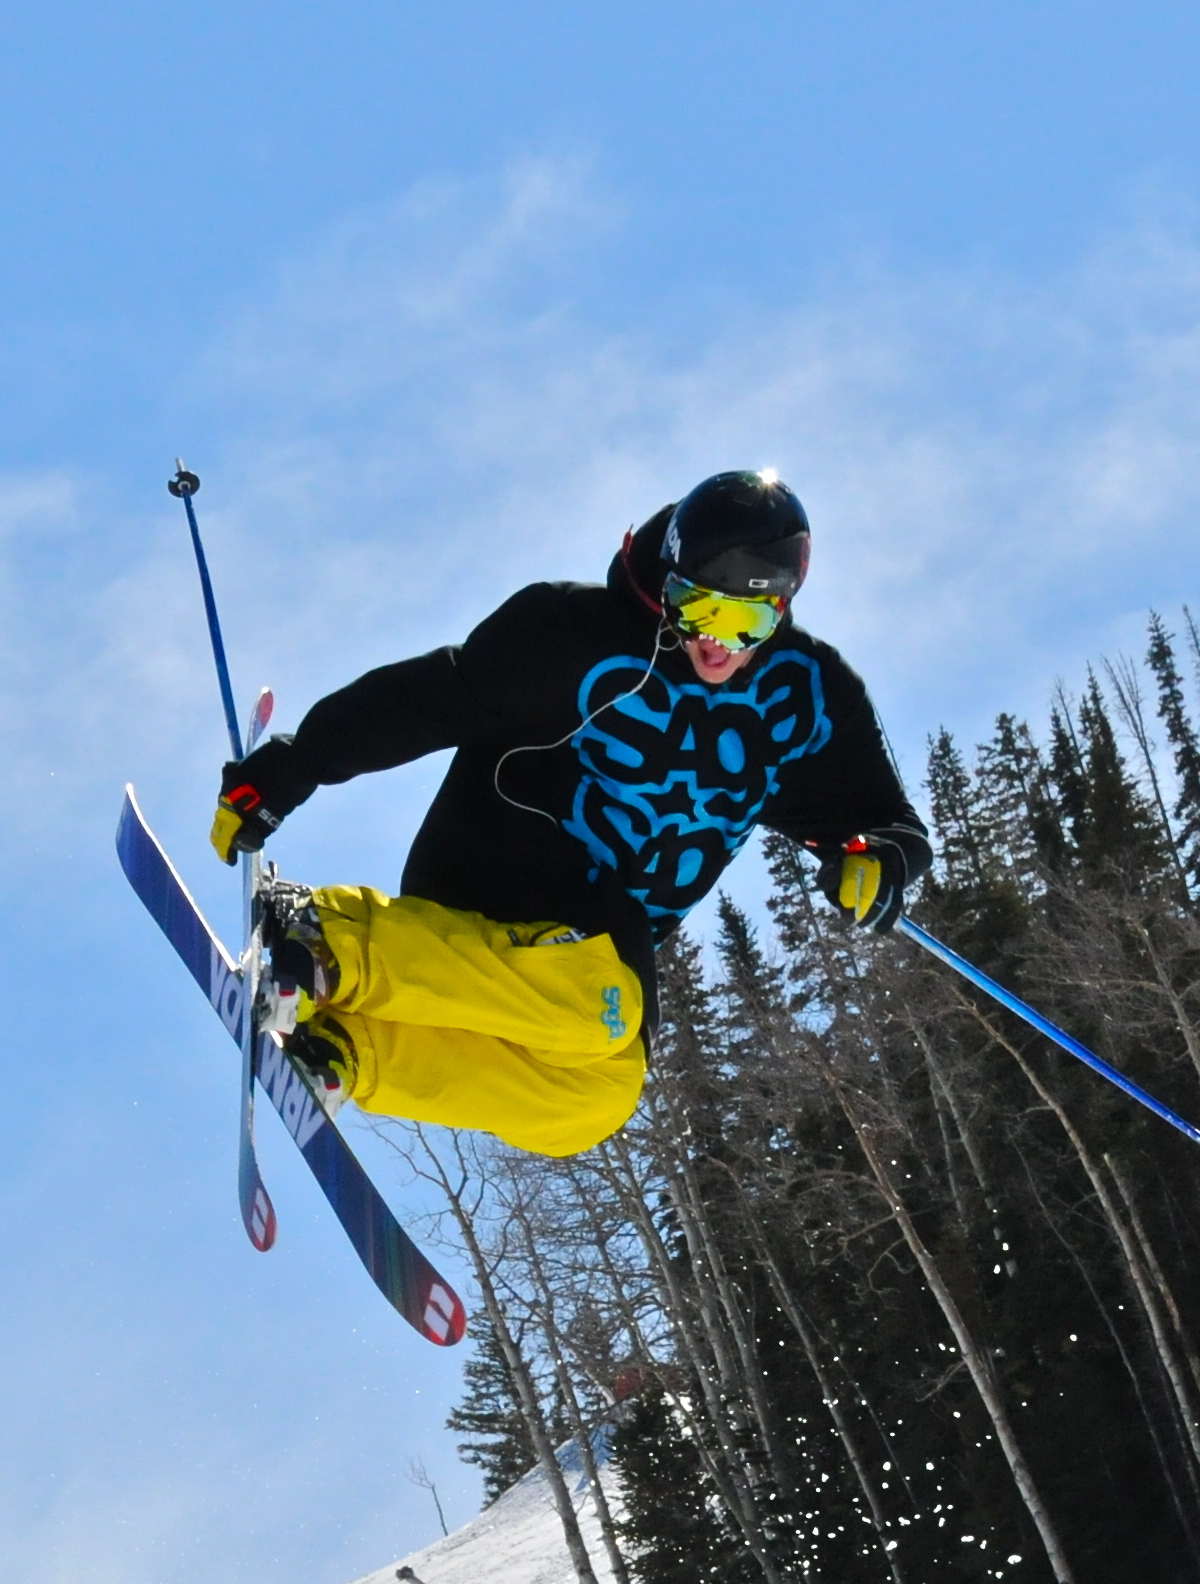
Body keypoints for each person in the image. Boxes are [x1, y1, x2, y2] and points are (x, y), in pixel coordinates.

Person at [210, 470, 931, 1156]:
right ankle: (326, 937)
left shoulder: (808, 698)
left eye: (742, 619)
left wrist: (879, 861)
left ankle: (346, 1051)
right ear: (668, 581)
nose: (714, 641)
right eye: (697, 608)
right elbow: (429, 700)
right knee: (603, 1000)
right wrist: (292, 768)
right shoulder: (576, 634)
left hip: (595, 943)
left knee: (599, 1095)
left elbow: (886, 822)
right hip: (495, 874)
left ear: (781, 605)